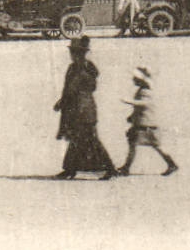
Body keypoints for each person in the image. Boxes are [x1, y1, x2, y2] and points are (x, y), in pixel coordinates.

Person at [52, 38, 119, 180]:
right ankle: (70, 169)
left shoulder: (81, 70)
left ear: (79, 54)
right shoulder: (78, 68)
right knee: (77, 140)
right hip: (81, 110)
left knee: (91, 140)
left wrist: (61, 103)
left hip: (82, 111)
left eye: (73, 52)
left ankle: (110, 168)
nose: (71, 55)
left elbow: (71, 90)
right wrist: (62, 101)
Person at [119, 67, 179, 176]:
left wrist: (129, 101)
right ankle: (126, 167)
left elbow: (144, 104)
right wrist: (132, 116)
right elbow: (141, 108)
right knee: (138, 145)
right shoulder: (143, 90)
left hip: (146, 125)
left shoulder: (145, 91)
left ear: (140, 80)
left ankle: (126, 168)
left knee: (141, 146)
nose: (133, 79)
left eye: (135, 78)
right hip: (145, 124)